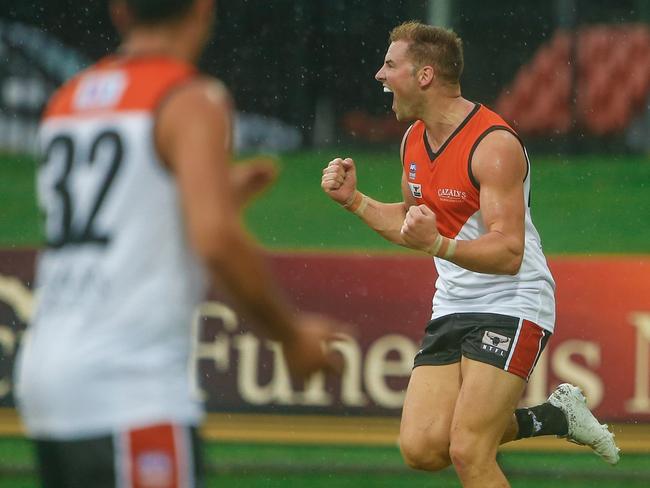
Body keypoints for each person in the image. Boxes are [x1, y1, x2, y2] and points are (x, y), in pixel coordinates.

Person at [14, 1, 345, 486]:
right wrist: (290, 338)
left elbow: (113, 219)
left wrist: (217, 192)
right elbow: (214, 240)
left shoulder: (68, 99)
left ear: (121, 12)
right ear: (203, 11)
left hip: (47, 378)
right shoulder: (191, 98)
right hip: (129, 385)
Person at [321, 21, 620, 487]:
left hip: (513, 302)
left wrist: (437, 244)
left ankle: (550, 420)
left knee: (468, 449)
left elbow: (508, 253)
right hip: (454, 303)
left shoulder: (494, 145)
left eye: (390, 64)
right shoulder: (412, 141)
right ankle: (556, 418)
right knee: (422, 448)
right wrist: (355, 202)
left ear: (424, 75)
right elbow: (414, 223)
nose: (380, 75)